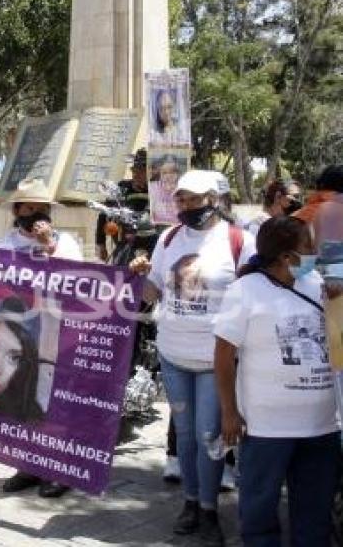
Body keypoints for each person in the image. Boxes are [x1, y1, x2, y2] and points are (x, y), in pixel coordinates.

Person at [129, 170, 255, 545]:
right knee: (184, 435)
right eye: (180, 199)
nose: (185, 206)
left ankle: (209, 510)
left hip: (215, 359)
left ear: (214, 199)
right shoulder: (168, 238)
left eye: (194, 199)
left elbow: (254, 293)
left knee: (208, 434)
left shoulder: (239, 241)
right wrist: (134, 278)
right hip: (172, 353)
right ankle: (190, 502)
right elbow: (151, 292)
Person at [214, 216, 339, 546]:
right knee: (258, 509)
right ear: (286, 257)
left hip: (322, 425)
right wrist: (229, 412)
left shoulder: (319, 284)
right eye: (308, 247)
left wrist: (339, 300)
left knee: (315, 511)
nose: (314, 253)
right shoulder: (244, 291)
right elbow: (223, 355)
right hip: (267, 427)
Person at [0, 178, 82, 498]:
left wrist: (51, 249)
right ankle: (29, 464)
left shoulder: (67, 242)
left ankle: (57, 468)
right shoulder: (4, 245)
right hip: (20, 335)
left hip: (57, 335)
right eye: (29, 208)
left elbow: (79, 282)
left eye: (42, 209)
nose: (36, 215)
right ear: (17, 211)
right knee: (25, 400)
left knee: (54, 403)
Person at [95, 148, 151, 262]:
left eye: (141, 170)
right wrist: (100, 244)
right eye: (134, 169)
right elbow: (104, 214)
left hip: (150, 244)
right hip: (124, 244)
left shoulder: (157, 190)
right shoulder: (122, 187)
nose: (136, 173)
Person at [149, 154, 182, 223]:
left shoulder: (183, 189)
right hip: (157, 227)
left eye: (172, 172)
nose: (168, 176)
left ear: (178, 173)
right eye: (164, 173)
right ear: (160, 173)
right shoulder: (152, 187)